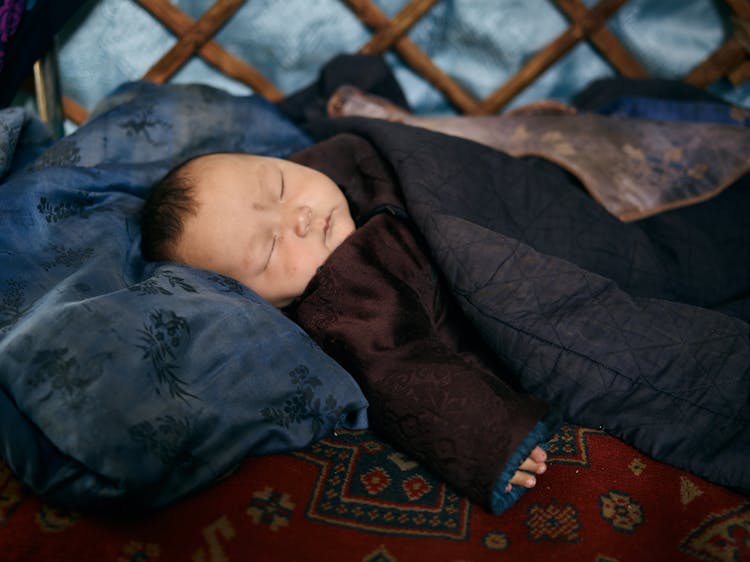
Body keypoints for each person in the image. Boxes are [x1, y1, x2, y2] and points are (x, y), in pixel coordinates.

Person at [140, 142, 552, 504]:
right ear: (256, 303)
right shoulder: (342, 300)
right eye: (270, 247)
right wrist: (490, 441)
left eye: (280, 187)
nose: (298, 217)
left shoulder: (340, 157)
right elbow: (395, 367)